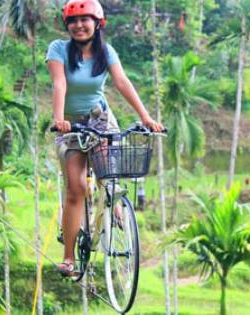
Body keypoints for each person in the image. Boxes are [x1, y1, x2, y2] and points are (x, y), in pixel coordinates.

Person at [46, 0, 164, 276]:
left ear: (98, 23)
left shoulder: (106, 52)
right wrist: (59, 118)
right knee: (75, 188)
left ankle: (114, 204)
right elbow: (59, 83)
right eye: (73, 21)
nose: (79, 26)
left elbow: (122, 82)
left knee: (108, 175)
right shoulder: (58, 49)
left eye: (85, 20)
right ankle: (68, 258)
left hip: (99, 119)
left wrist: (146, 117)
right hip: (71, 126)